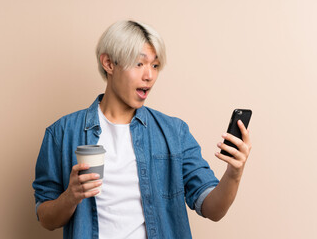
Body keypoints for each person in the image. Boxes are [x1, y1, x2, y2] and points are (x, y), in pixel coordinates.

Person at [32, 20, 252, 239]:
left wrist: (234, 173)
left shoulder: (174, 132)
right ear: (108, 63)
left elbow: (212, 209)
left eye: (155, 66)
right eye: (139, 64)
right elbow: (46, 219)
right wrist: (71, 196)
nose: (149, 76)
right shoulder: (62, 133)